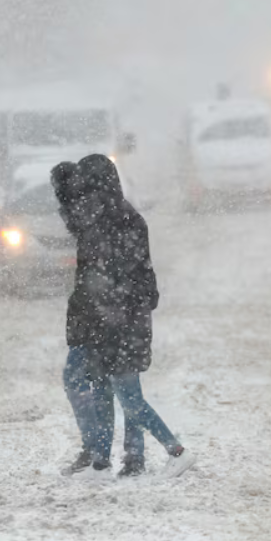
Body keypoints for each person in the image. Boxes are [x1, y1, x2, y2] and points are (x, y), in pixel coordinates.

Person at [53, 156, 196, 479]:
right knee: (103, 389)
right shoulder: (102, 220)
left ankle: (175, 452)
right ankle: (102, 463)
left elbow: (129, 281)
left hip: (123, 324)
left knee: (129, 397)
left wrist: (111, 315)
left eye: (87, 187)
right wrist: (64, 191)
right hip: (105, 323)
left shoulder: (122, 221)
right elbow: (84, 245)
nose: (84, 195)